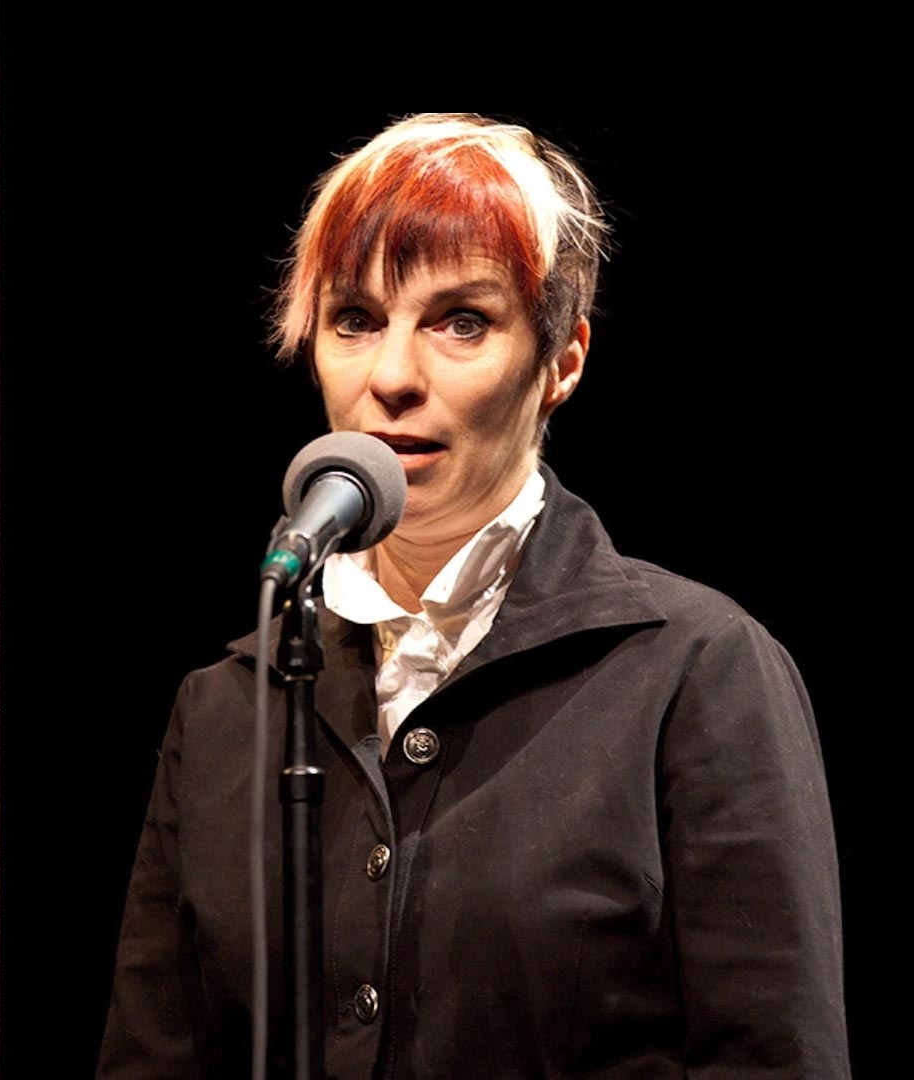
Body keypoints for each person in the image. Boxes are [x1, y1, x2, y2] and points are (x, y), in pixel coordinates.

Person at [97, 114, 848, 1078]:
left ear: (562, 361)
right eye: (354, 320)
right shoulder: (221, 711)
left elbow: (773, 1055)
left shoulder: (697, 673)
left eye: (462, 322)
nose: (392, 378)